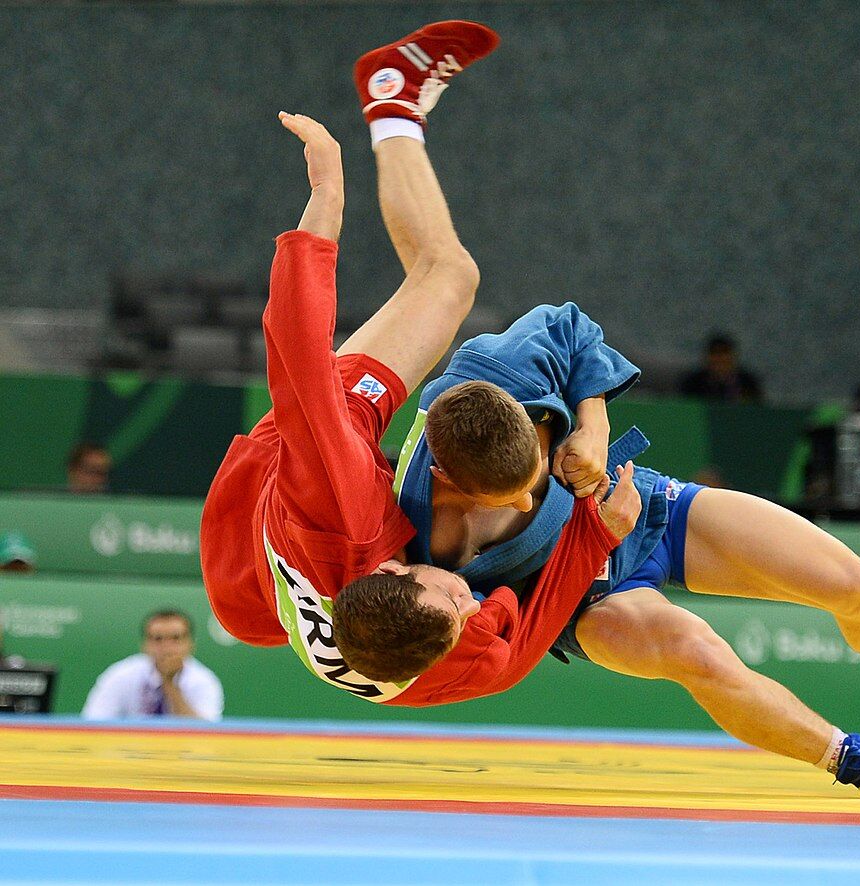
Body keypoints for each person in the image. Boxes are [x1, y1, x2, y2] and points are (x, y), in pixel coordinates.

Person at [344, 304, 860, 799]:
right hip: (587, 595)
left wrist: (592, 419)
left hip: (653, 509)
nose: (529, 502)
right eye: (513, 497)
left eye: (536, 480)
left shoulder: (492, 373)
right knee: (697, 652)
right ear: (446, 481)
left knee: (855, 584)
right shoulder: (398, 544)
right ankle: (859, 763)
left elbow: (573, 326)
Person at [199, 21, 639, 704]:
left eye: (449, 592)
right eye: (466, 610)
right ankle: (393, 98)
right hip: (249, 598)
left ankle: (391, 95)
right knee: (451, 275)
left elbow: (297, 364)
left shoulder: (338, 498)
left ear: (399, 571)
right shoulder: (455, 648)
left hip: (288, 489)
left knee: (448, 275)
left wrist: (323, 209)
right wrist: (596, 533)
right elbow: (518, 652)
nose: (471, 599)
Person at [82, 610, 223, 720]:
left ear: (190, 644)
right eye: (158, 639)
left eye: (176, 638)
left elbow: (206, 734)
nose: (167, 647)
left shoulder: (204, 681)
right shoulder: (120, 674)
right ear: (145, 645)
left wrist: (169, 684)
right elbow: (94, 722)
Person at [679, 333, 762, 403]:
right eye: (715, 353)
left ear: (733, 356)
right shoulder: (692, 383)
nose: (720, 358)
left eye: (724, 353)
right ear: (706, 357)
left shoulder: (748, 383)